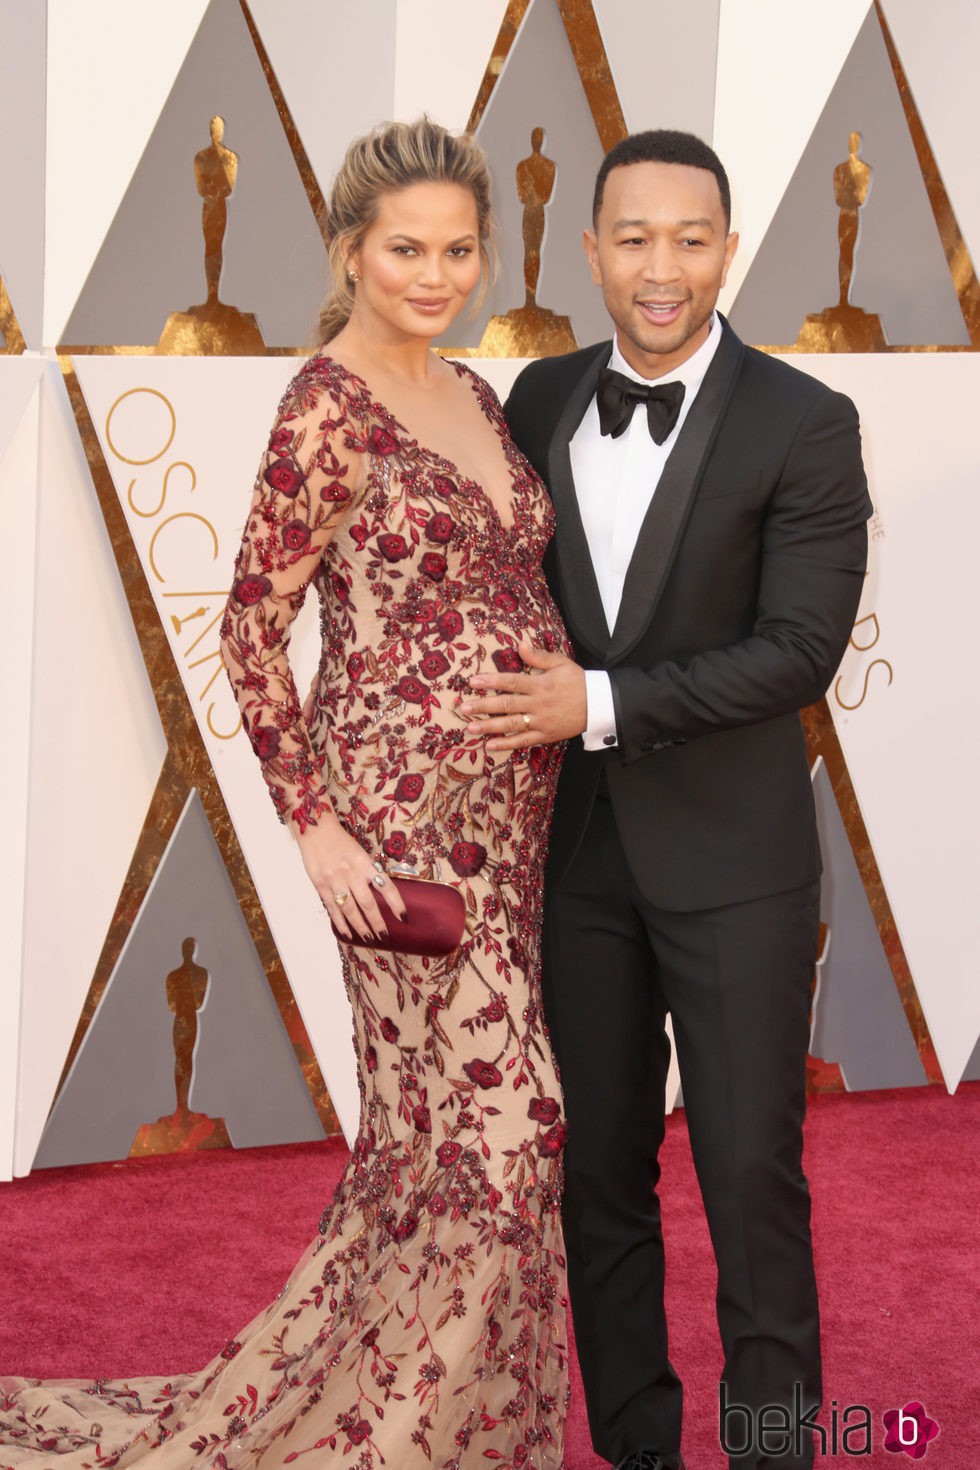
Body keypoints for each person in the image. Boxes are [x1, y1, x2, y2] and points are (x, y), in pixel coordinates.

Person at [0, 119, 569, 1469]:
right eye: (404, 250)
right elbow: (254, 625)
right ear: (352, 252)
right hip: (399, 823)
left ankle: (444, 1428)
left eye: (456, 249)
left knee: (435, 1145)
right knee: (512, 1123)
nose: (433, 274)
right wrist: (313, 824)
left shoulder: (476, 391)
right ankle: (402, 1435)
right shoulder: (329, 402)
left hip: (512, 826)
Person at [461, 130, 872, 1470]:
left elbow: (798, 649)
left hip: (740, 864)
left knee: (753, 1182)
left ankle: (770, 1453)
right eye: (632, 237)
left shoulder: (806, 421)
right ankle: (636, 1446)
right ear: (588, 250)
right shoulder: (535, 398)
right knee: (601, 1181)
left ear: (729, 249)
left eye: (690, 238)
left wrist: (604, 703)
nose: (661, 267)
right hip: (578, 859)